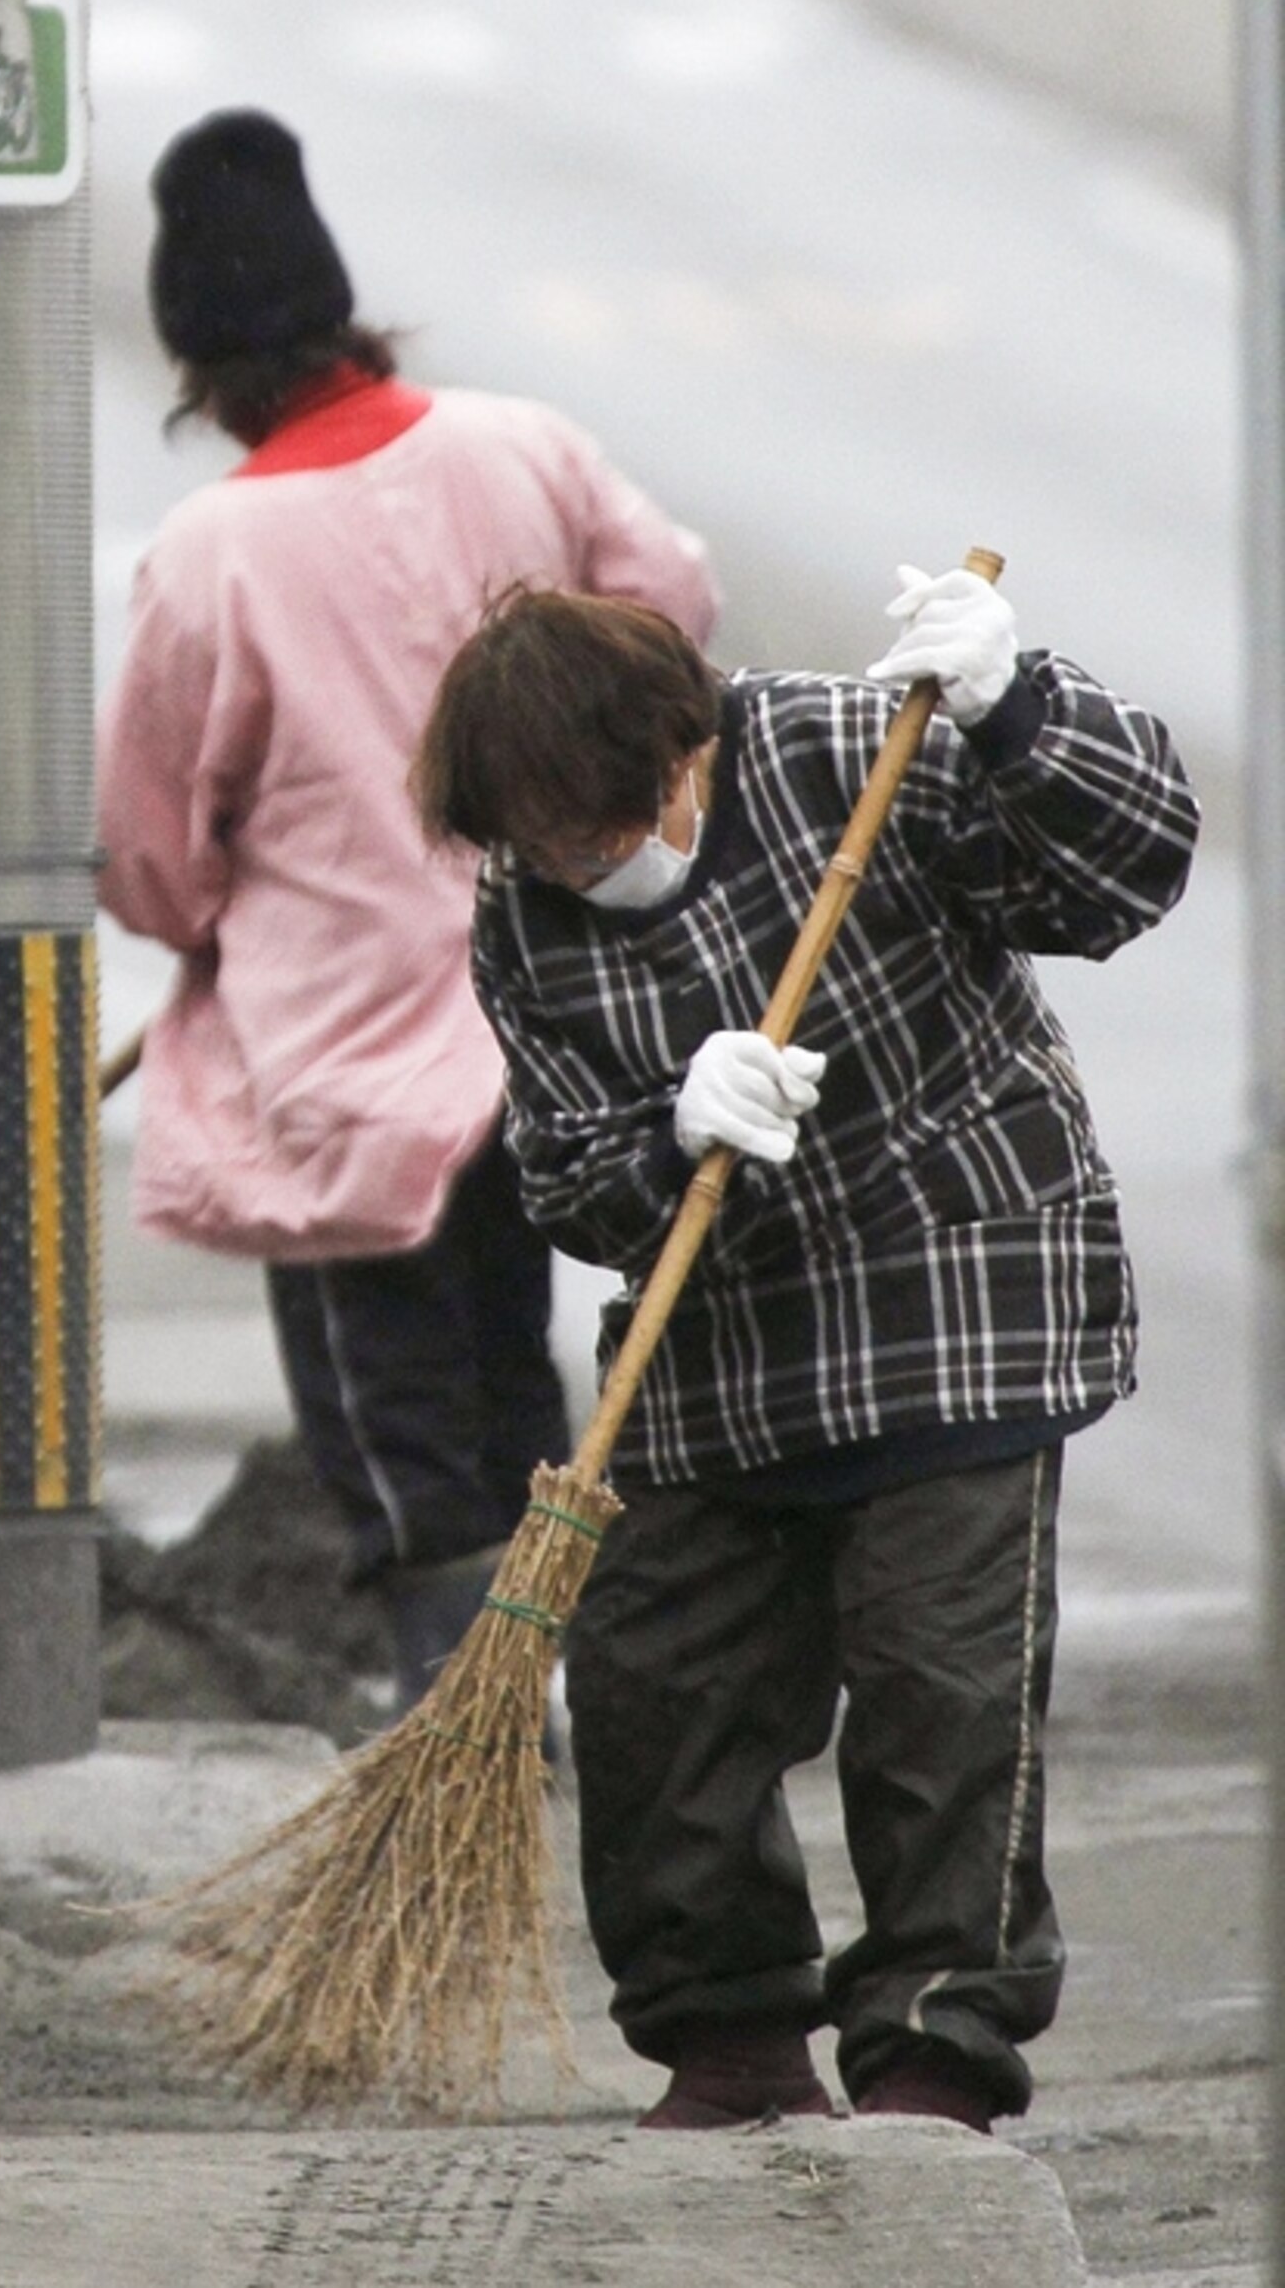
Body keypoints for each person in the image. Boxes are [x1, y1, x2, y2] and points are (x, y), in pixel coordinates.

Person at [413, 567, 1197, 2132]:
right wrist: (669, 1124)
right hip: (724, 1345)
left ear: (680, 757)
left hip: (959, 1305)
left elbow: (1125, 876)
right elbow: (566, 1170)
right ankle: (730, 2039)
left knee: (939, 1700)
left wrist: (1018, 706)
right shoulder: (524, 919)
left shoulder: (861, 751)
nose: (581, 866)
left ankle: (930, 2052)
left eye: (600, 828)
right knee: (654, 1685)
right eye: (541, 846)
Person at [94, 107, 718, 1707]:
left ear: (201, 370)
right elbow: (676, 618)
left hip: (347, 1062)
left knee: (392, 1408)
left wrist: (217, 913)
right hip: (558, 1019)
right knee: (520, 1351)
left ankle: (464, 1700)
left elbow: (152, 861)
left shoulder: (210, 556)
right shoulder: (525, 450)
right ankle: (568, 1674)